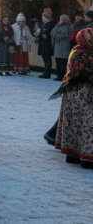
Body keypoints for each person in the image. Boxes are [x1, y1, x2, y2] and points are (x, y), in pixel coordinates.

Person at [52, 28, 93, 169]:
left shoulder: (75, 50)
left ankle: (73, 155)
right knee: (87, 123)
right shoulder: (86, 55)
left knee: (73, 122)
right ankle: (87, 158)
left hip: (71, 92)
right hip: (83, 92)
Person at [50, 15, 73, 81]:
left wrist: (55, 35)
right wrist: (57, 26)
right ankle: (59, 75)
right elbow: (52, 33)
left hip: (64, 47)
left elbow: (60, 36)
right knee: (58, 62)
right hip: (58, 47)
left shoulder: (68, 27)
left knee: (63, 63)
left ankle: (62, 76)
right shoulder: (58, 25)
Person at [37, 11, 57, 79]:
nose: (42, 18)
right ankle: (45, 72)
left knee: (47, 59)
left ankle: (47, 73)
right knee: (44, 58)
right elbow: (42, 34)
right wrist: (40, 34)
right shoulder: (44, 24)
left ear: (47, 17)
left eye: (43, 17)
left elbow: (45, 34)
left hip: (47, 44)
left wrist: (40, 35)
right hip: (43, 43)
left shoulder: (51, 24)